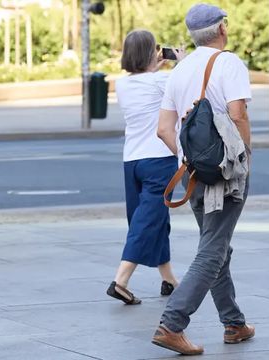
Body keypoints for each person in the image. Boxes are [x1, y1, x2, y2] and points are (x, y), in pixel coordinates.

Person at [153, 3, 254, 355]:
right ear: (222, 28)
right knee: (212, 250)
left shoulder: (179, 71)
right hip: (224, 172)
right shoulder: (228, 63)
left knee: (216, 244)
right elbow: (238, 114)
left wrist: (188, 158)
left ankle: (234, 323)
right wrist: (244, 157)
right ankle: (172, 323)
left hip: (192, 174)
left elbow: (164, 129)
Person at [106, 30, 186, 305]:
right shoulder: (162, 81)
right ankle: (121, 281)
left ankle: (169, 279)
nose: (161, 52)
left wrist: (155, 66)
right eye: (157, 49)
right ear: (150, 53)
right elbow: (187, 86)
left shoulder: (122, 84)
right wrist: (181, 60)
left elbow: (149, 81)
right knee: (146, 221)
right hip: (159, 160)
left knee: (155, 219)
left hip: (132, 161)